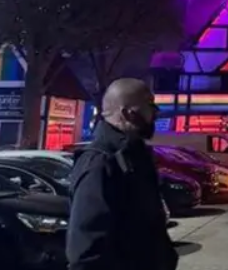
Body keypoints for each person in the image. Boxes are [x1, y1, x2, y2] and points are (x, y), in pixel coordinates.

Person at [66, 78, 178, 270]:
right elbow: (86, 252)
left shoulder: (135, 156)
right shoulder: (100, 163)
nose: (156, 113)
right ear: (128, 113)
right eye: (150, 105)